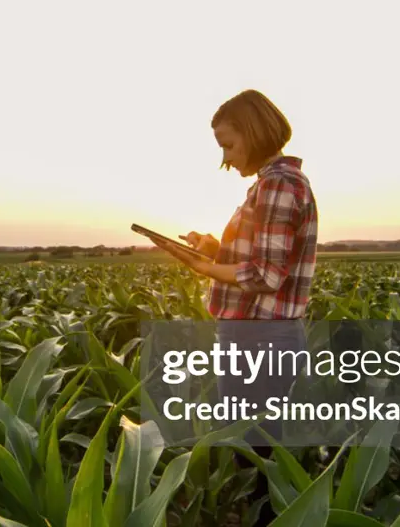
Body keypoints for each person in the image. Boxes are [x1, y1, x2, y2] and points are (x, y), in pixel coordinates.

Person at [143, 88, 318, 525]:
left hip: (261, 340)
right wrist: (216, 249)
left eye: (228, 144)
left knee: (257, 461)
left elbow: (265, 276)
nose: (225, 158)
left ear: (254, 134)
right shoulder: (273, 184)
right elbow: (263, 260)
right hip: (258, 337)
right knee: (255, 456)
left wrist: (202, 265)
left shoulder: (278, 185)